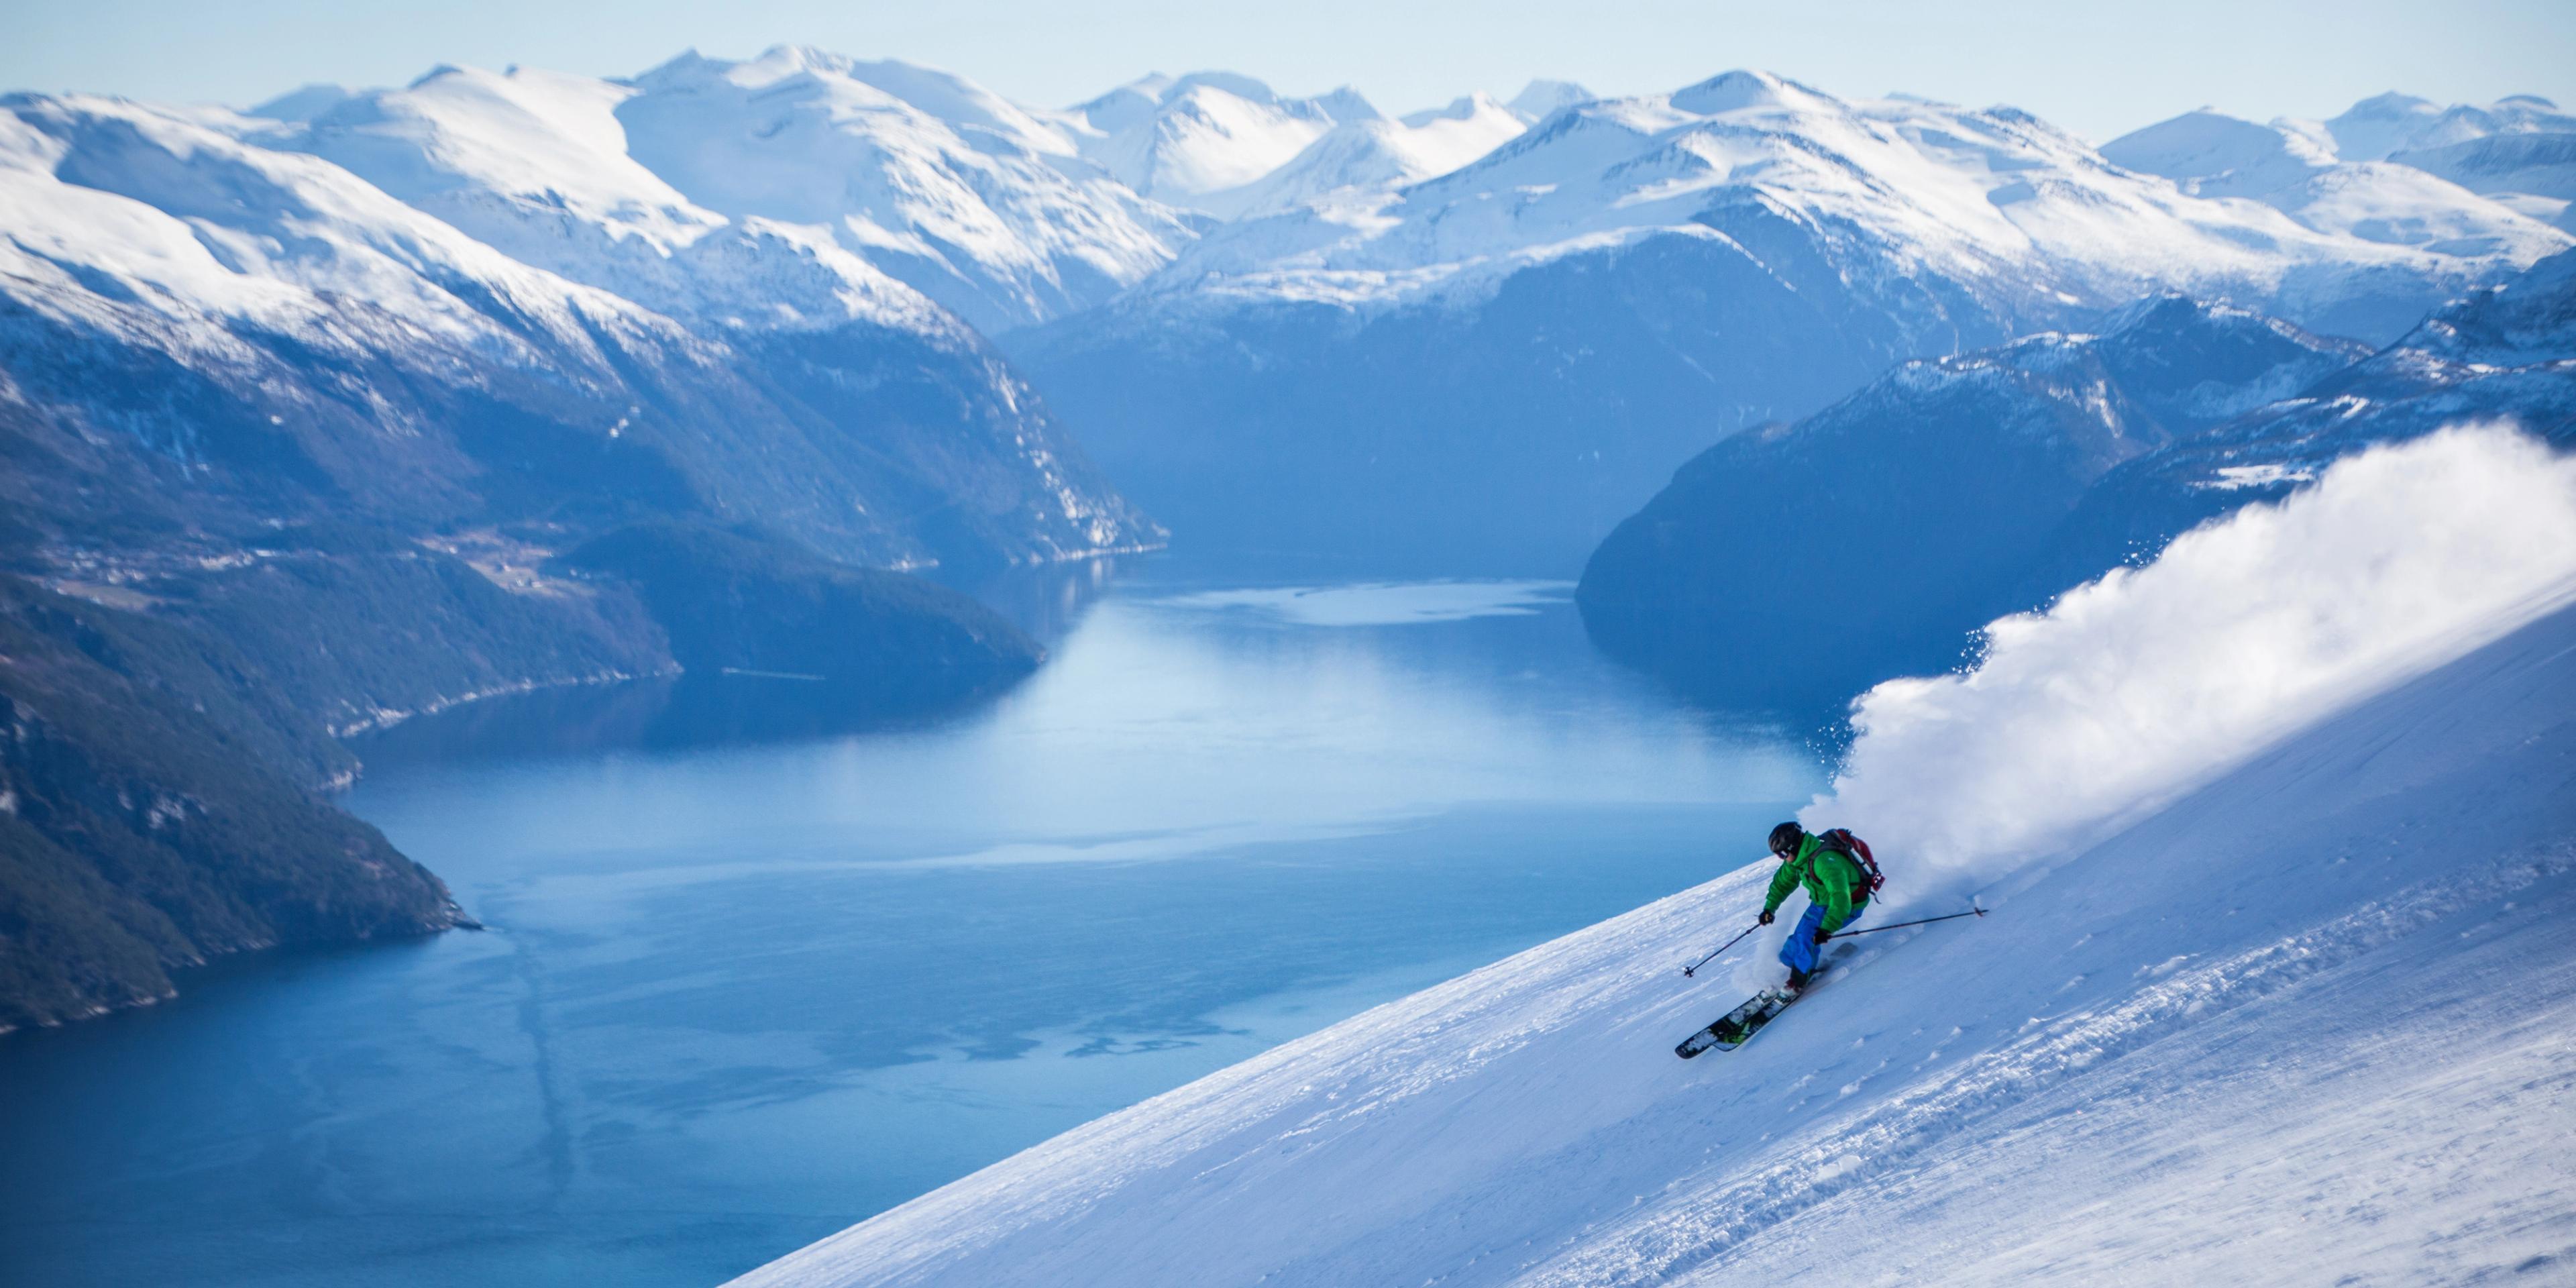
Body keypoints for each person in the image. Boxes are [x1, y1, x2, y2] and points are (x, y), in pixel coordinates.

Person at [1756, 821, 1870, 994]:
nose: (1782, 858)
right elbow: (1782, 883)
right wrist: (1769, 909)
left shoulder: (1825, 862)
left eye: (1782, 854)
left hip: (1848, 905)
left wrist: (1827, 928)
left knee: (1807, 937)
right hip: (1821, 903)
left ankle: (1799, 979)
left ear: (1793, 847)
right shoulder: (1799, 860)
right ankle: (1788, 967)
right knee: (1798, 937)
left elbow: (1841, 897)